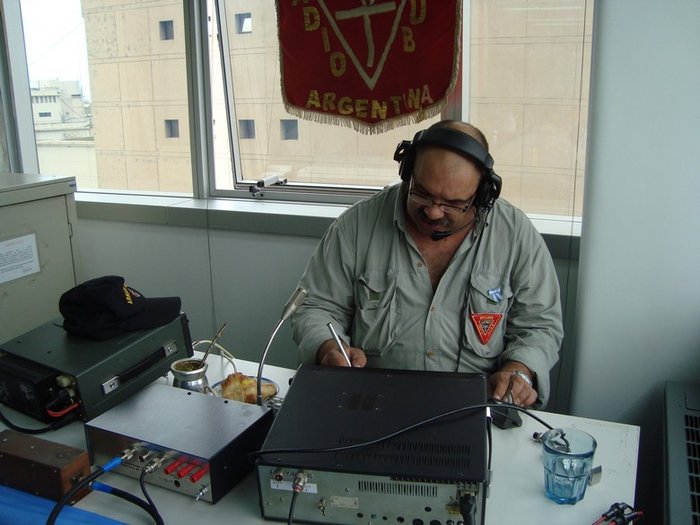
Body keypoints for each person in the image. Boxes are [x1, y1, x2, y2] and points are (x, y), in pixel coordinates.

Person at [291, 120, 563, 408]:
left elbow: (540, 324)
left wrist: (519, 370)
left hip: (478, 405)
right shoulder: (356, 226)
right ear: (407, 171)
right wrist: (328, 348)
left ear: (483, 195)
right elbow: (316, 306)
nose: (433, 213)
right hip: (373, 402)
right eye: (421, 192)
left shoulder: (515, 235)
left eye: (453, 203)